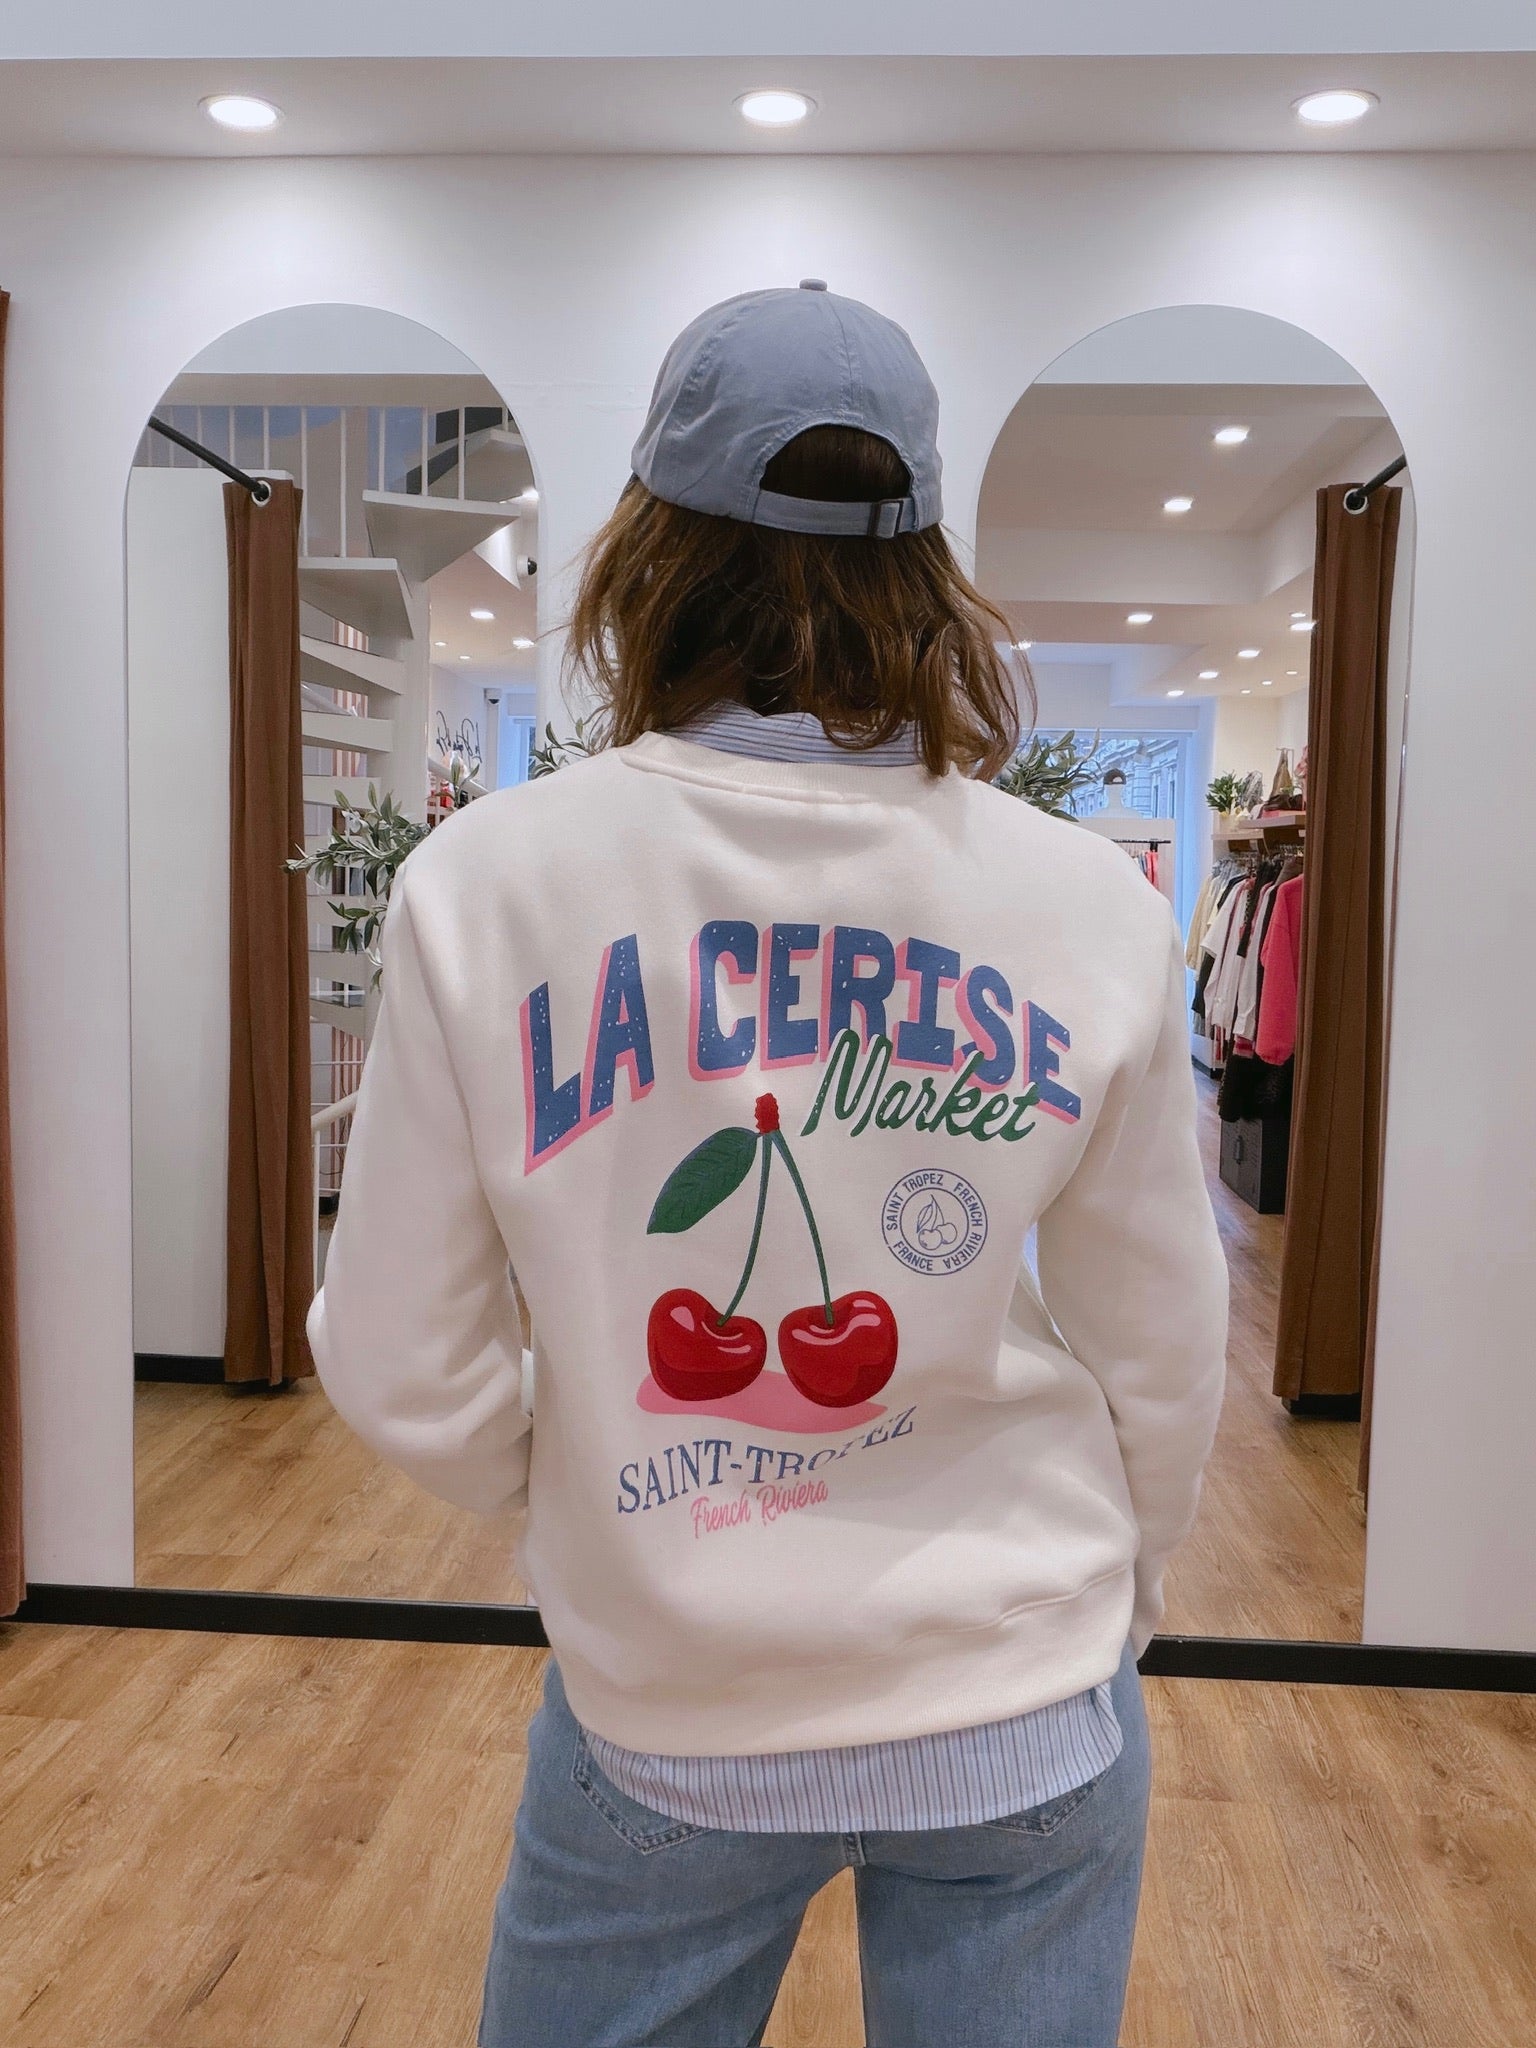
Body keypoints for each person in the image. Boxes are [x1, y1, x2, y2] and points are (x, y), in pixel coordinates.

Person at [309, 282, 1228, 2048]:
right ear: (928, 563)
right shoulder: (1085, 902)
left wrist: (593, 1490)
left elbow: (399, 1359)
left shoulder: (487, 887)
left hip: (674, 1709)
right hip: (1020, 1695)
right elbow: (1163, 1348)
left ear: (649, 549)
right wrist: (1127, 1593)